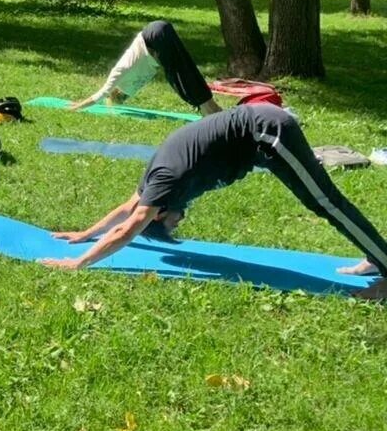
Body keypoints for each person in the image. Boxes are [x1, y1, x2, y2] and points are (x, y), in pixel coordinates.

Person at [40, 104, 387, 301]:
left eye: (171, 224)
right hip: (258, 141)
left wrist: (79, 263)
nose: (180, 220)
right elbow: (124, 210)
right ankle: (376, 257)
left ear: (159, 214)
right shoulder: (156, 191)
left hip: (267, 133)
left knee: (326, 202)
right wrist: (85, 233)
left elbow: (129, 226)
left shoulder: (165, 184)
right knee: (323, 203)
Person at [70, 20, 220, 116]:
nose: (124, 97)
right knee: (185, 68)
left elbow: (99, 95)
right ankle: (209, 105)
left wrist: (77, 106)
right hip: (159, 34)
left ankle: (205, 107)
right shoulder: (132, 85)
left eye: (120, 97)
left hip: (154, 36)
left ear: (116, 92)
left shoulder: (118, 74)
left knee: (178, 75)